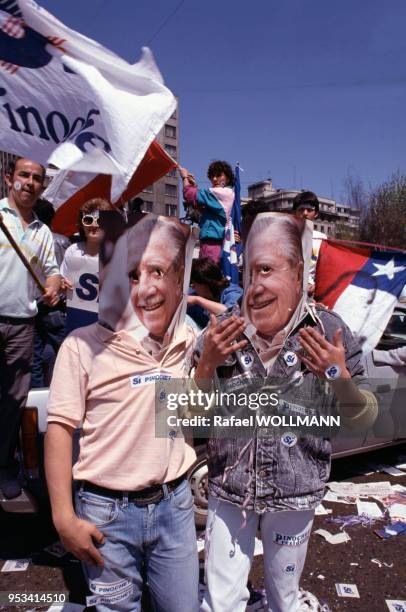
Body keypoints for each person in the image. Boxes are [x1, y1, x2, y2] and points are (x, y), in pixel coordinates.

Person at [195, 213, 378, 612]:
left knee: (284, 598)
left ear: (297, 274)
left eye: (266, 269)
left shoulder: (330, 331)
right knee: (220, 603)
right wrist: (206, 365)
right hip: (230, 493)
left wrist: (336, 375)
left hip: (295, 496)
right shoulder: (222, 330)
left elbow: (364, 418)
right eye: (248, 271)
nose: (255, 285)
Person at [45, 215, 200, 611]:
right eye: (131, 274)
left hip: (174, 505)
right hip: (106, 515)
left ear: (178, 277)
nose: (145, 287)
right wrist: (64, 519)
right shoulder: (81, 346)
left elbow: (184, 417)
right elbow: (60, 431)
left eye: (157, 271)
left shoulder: (186, 338)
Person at [0, 158, 60, 499]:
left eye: (37, 178)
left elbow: (51, 271)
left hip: (22, 325)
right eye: (24, 175)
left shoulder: (43, 231)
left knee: (13, 401)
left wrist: (52, 286)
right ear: (10, 179)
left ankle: (4, 465)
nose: (30, 182)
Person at [60, 198, 112, 333]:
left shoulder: (116, 254)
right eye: (88, 220)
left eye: (99, 220)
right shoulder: (72, 250)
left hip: (106, 327)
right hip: (77, 323)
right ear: (82, 224)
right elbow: (61, 282)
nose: (94, 225)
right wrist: (62, 285)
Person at [180, 160, 235, 263]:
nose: (214, 179)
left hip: (212, 245)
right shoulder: (228, 193)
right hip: (221, 243)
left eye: (218, 175)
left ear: (227, 178)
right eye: (212, 176)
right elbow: (201, 205)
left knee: (207, 276)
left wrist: (184, 178)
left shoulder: (221, 193)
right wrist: (193, 186)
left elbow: (190, 195)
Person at [187, 257, 243, 327]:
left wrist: (198, 300)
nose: (192, 286)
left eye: (193, 283)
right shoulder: (195, 296)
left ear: (205, 282)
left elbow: (231, 314)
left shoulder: (233, 292)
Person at [292, 190, 326, 294]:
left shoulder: (322, 239)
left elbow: (326, 270)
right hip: (290, 291)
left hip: (312, 295)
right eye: (301, 209)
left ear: (316, 214)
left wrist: (317, 285)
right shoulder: (285, 237)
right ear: (294, 212)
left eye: (309, 210)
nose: (305, 213)